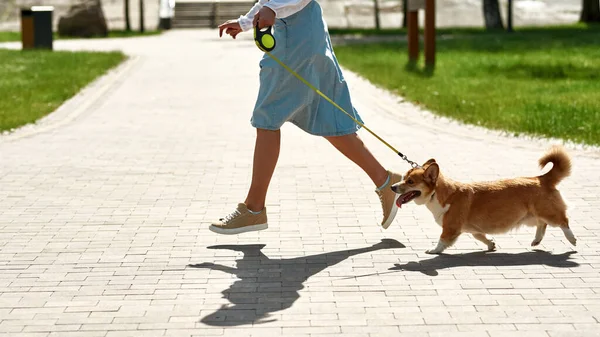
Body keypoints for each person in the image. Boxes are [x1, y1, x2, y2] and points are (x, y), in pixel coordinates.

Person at [211, 0, 403, 234]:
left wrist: (271, 10)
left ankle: (254, 208)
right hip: (299, 29)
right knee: (327, 116)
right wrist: (247, 21)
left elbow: (274, 3)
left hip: (295, 35)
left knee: (267, 116)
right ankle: (385, 181)